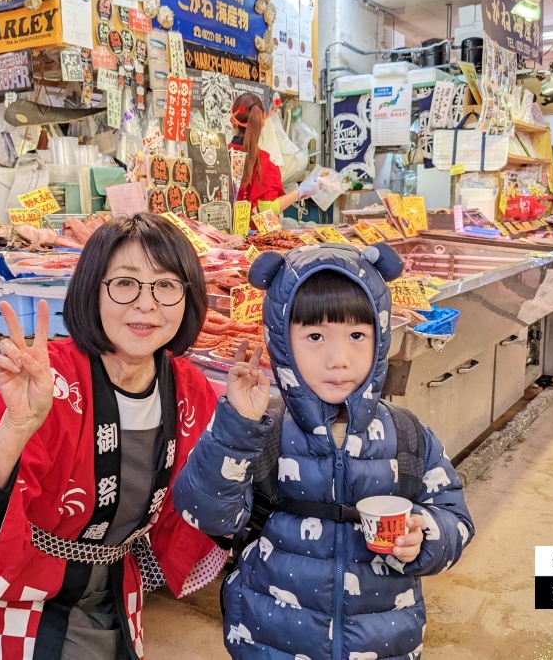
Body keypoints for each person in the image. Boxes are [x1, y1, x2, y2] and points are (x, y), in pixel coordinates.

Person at [0, 214, 228, 660]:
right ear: (92, 291)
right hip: (16, 590)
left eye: (166, 285)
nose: (146, 304)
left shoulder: (189, 389)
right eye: (125, 283)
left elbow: (197, 508)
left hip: (116, 591)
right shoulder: (48, 378)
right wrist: (17, 425)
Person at [172, 243, 474, 659]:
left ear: (380, 337)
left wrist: (426, 536)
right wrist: (236, 427)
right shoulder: (264, 430)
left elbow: (456, 519)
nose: (338, 359)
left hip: (381, 642)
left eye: (356, 335)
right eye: (314, 336)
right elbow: (201, 511)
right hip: (271, 640)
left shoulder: (408, 435)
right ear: (281, 339)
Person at [229, 93, 322, 223]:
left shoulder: (221, 153)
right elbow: (267, 209)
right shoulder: (265, 161)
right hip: (252, 239)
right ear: (262, 122)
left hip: (218, 237)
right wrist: (300, 191)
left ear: (232, 120)